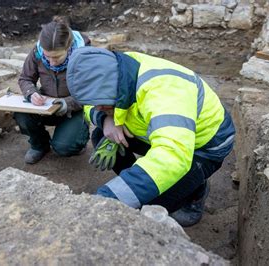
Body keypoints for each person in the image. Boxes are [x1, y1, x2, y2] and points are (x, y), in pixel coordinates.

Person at [66, 47, 235, 227]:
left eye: (101, 104)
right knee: (101, 135)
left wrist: (110, 197)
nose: (97, 107)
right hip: (157, 132)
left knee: (150, 204)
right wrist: (105, 119)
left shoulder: (164, 91)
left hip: (202, 147)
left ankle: (195, 189)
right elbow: (90, 104)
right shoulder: (116, 69)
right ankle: (145, 176)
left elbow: (172, 155)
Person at [14, 17, 90, 164]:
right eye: (47, 57)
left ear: (69, 47)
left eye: (57, 57)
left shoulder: (84, 55)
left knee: (64, 148)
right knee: (21, 114)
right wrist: (31, 93)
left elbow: (90, 91)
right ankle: (39, 145)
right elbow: (25, 78)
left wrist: (67, 103)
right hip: (46, 106)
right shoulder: (38, 51)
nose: (51, 62)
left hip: (73, 109)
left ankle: (77, 140)